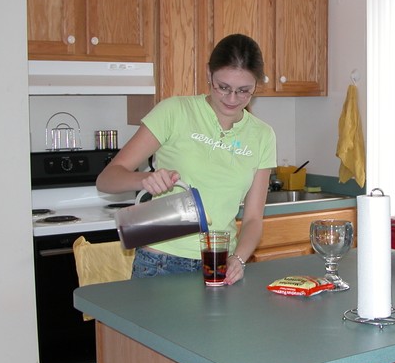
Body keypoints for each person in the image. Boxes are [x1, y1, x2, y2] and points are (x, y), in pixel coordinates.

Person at [96, 34, 276, 284]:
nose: (232, 99)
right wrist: (145, 179)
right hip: (160, 262)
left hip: (219, 262)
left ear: (256, 85)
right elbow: (107, 179)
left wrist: (239, 259)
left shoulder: (263, 135)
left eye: (243, 90)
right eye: (222, 87)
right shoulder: (174, 111)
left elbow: (254, 219)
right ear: (208, 74)